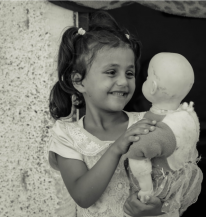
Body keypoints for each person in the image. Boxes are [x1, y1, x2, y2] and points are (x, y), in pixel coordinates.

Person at [47, 11, 164, 217]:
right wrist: (118, 147)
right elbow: (83, 196)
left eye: (129, 73)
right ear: (79, 81)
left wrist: (156, 207)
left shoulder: (147, 124)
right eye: (111, 72)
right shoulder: (67, 136)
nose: (123, 81)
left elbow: (168, 183)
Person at [126, 53, 203, 216]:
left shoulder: (159, 129)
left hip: (156, 192)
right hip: (176, 186)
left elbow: (136, 153)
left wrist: (146, 188)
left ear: (153, 86)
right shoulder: (187, 115)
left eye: (147, 77)